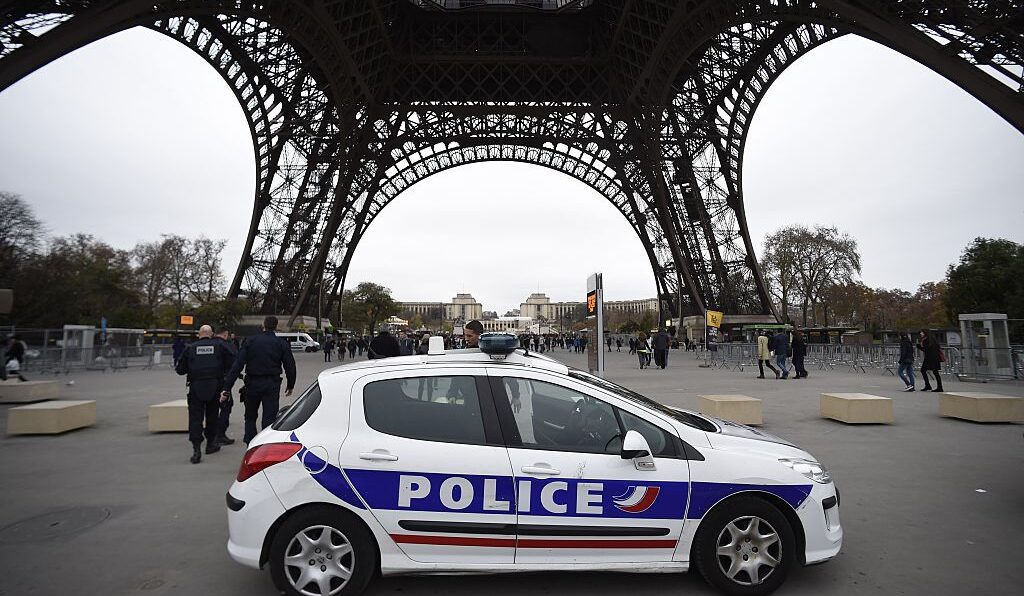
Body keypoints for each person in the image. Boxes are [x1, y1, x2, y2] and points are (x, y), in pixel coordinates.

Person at [222, 316, 297, 445]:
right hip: (272, 383)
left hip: (252, 382)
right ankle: (265, 444)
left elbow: (237, 365)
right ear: (276, 326)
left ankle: (250, 442)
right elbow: (290, 366)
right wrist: (290, 385)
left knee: (250, 415)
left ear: (263, 325)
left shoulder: (250, 341)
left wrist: (227, 387)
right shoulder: (281, 343)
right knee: (269, 416)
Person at [176, 325, 234, 464]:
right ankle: (210, 444)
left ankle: (196, 450)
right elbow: (232, 363)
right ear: (212, 334)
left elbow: (180, 370)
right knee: (212, 415)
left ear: (198, 334)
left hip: (196, 387)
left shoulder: (190, 348)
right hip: (215, 386)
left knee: (196, 418)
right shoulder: (219, 346)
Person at [213, 327, 239, 446]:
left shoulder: (207, 344)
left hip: (206, 382)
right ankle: (220, 435)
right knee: (226, 407)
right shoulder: (227, 346)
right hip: (223, 382)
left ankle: (210, 435)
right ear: (225, 334)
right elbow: (235, 364)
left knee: (210, 409)